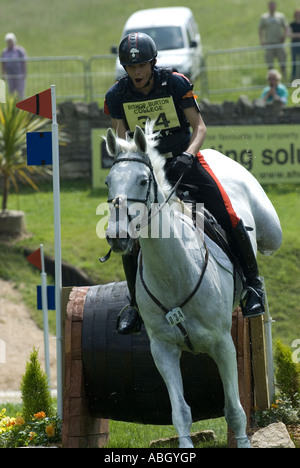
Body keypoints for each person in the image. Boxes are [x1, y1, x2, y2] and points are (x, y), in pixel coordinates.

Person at [104, 32, 265, 334]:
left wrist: (188, 155)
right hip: (149, 171)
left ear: (152, 64)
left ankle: (253, 287)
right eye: (130, 67)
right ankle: (136, 305)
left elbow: (200, 127)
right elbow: (126, 142)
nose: (136, 72)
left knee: (227, 213)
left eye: (141, 66)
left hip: (185, 160)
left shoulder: (175, 82)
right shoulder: (116, 95)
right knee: (127, 226)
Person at [258, 1, 289, 79]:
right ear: (268, 6)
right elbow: (260, 29)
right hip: (269, 44)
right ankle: (271, 80)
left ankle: (284, 77)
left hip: (279, 43)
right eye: (270, 6)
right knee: (270, 64)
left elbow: (286, 27)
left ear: (275, 6)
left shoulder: (280, 16)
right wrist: (261, 40)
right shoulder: (264, 17)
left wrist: (284, 36)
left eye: (273, 6)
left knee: (282, 61)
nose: (272, 7)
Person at [1, 33, 27, 99]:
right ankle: (13, 107)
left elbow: (24, 62)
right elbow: (3, 64)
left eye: (10, 41)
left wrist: (24, 72)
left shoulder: (19, 50)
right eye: (8, 41)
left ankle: (21, 106)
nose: (9, 43)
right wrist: (3, 74)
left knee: (20, 92)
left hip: (19, 74)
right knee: (11, 92)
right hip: (10, 75)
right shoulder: (4, 52)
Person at [289, 9, 300, 80]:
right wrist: (297, 35)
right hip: (294, 44)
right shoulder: (292, 24)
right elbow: (288, 34)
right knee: (294, 61)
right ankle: (293, 76)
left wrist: (294, 35)